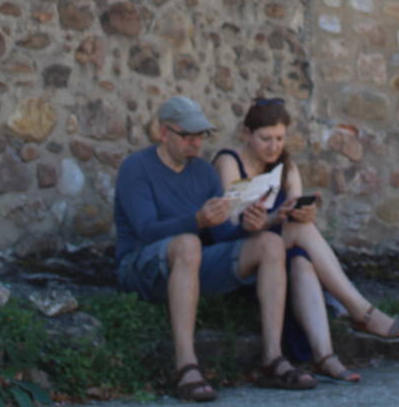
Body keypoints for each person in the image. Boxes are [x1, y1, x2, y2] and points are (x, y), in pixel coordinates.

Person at [113, 95, 316, 401]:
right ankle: (185, 366)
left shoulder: (204, 173)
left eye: (200, 136)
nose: (196, 144)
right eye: (188, 136)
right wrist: (196, 220)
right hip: (140, 266)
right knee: (188, 243)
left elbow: (222, 236)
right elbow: (145, 231)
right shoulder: (136, 168)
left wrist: (249, 226)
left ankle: (272, 358)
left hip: (191, 262)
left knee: (270, 244)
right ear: (164, 133)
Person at [213, 97, 399, 384]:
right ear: (247, 134)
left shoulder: (286, 166)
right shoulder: (229, 162)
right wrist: (272, 221)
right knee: (300, 235)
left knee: (302, 262)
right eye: (265, 138)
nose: (273, 146)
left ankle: (326, 357)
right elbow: (228, 226)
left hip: (279, 254)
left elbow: (299, 220)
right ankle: (360, 311)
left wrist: (306, 213)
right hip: (238, 251)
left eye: (280, 138)